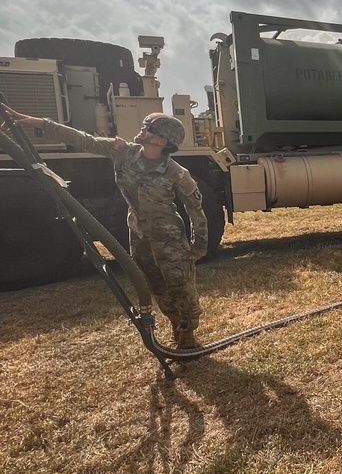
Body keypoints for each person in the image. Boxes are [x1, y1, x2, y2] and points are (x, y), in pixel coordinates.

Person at [0, 104, 207, 348]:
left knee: (180, 286)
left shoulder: (176, 173)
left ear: (162, 140)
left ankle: (187, 334)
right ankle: (175, 324)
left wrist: (199, 245)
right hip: (139, 234)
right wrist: (36, 122)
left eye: (148, 128)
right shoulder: (123, 152)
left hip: (169, 238)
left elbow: (196, 209)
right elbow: (82, 140)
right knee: (155, 285)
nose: (141, 130)